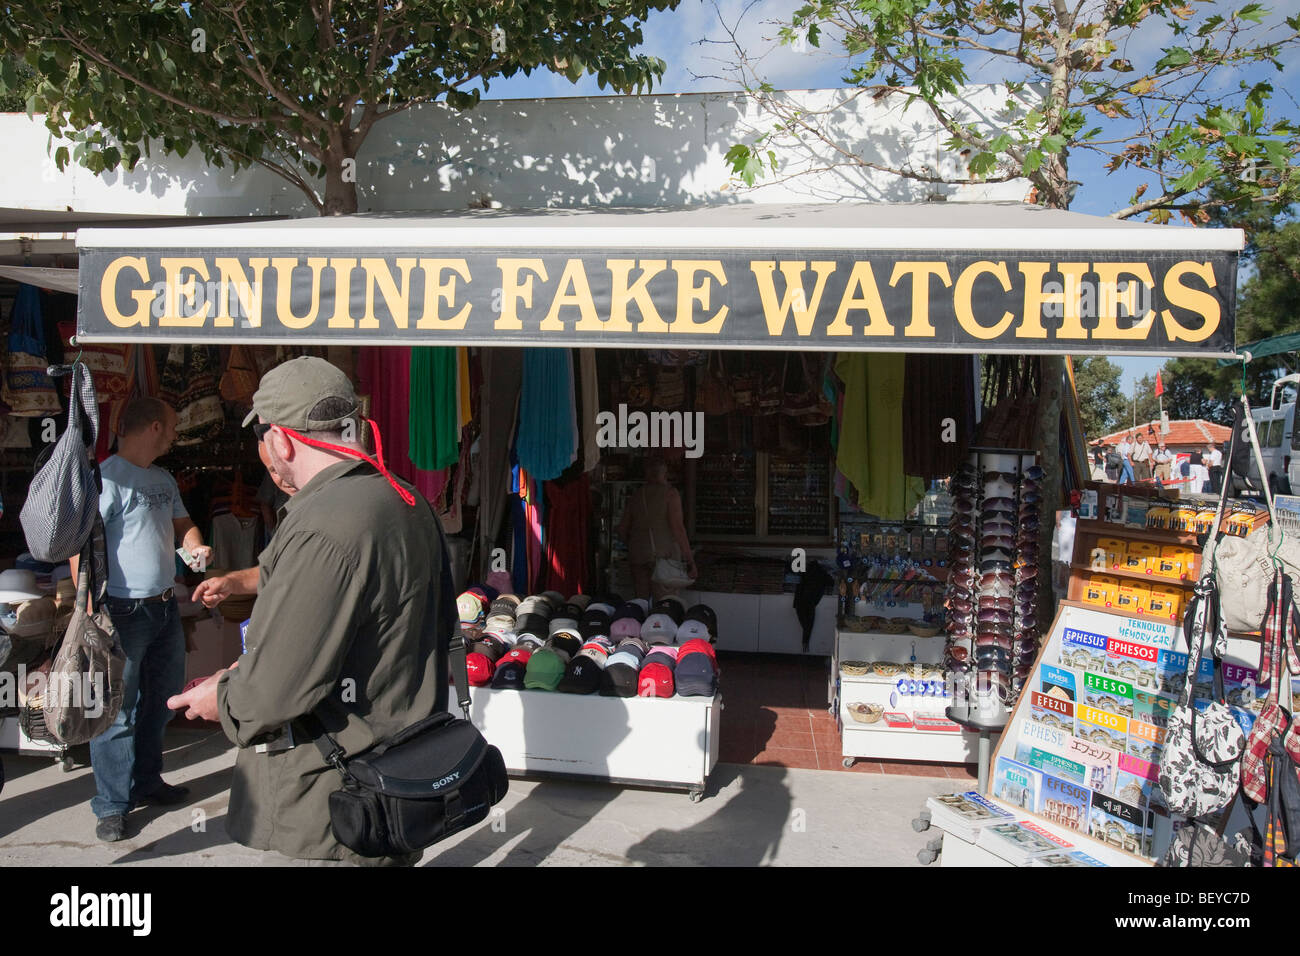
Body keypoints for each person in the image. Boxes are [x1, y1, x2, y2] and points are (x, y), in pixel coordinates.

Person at [168, 357, 455, 866]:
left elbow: (278, 691)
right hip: (399, 776)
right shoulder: (406, 498)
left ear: (280, 439)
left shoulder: (325, 524)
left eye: (263, 442)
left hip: (334, 801)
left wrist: (226, 699)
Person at [80, 397, 212, 843]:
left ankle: (147, 782)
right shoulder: (105, 478)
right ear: (154, 427)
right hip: (121, 610)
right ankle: (112, 805)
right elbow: (84, 550)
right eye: (173, 426)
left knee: (161, 701)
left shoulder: (161, 478)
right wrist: (88, 612)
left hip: (163, 606)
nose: (176, 434)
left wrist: (196, 546)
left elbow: (183, 525)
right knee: (117, 711)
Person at [618, 457, 697, 601]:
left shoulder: (636, 495)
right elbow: (678, 529)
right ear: (665, 473)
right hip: (663, 556)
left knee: (641, 602)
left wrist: (633, 545)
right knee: (664, 604)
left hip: (638, 555)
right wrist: (690, 560)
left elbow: (622, 529)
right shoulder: (670, 494)